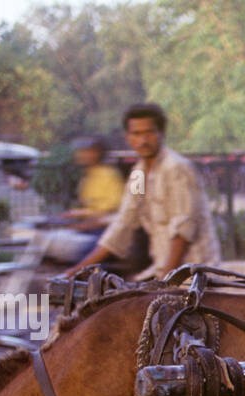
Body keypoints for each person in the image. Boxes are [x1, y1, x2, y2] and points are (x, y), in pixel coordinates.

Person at [63, 103, 223, 280]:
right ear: (128, 137)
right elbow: (124, 222)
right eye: (136, 134)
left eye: (149, 133)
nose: (143, 141)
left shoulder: (176, 169)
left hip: (194, 275)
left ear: (161, 133)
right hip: (162, 271)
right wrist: (76, 271)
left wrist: (165, 283)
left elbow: (183, 229)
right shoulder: (138, 175)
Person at [44, 137, 124, 264]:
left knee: (81, 249)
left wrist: (79, 215)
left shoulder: (108, 174)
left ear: (96, 153)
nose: (80, 155)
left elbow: (110, 210)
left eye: (85, 151)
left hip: (106, 228)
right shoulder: (88, 175)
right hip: (92, 225)